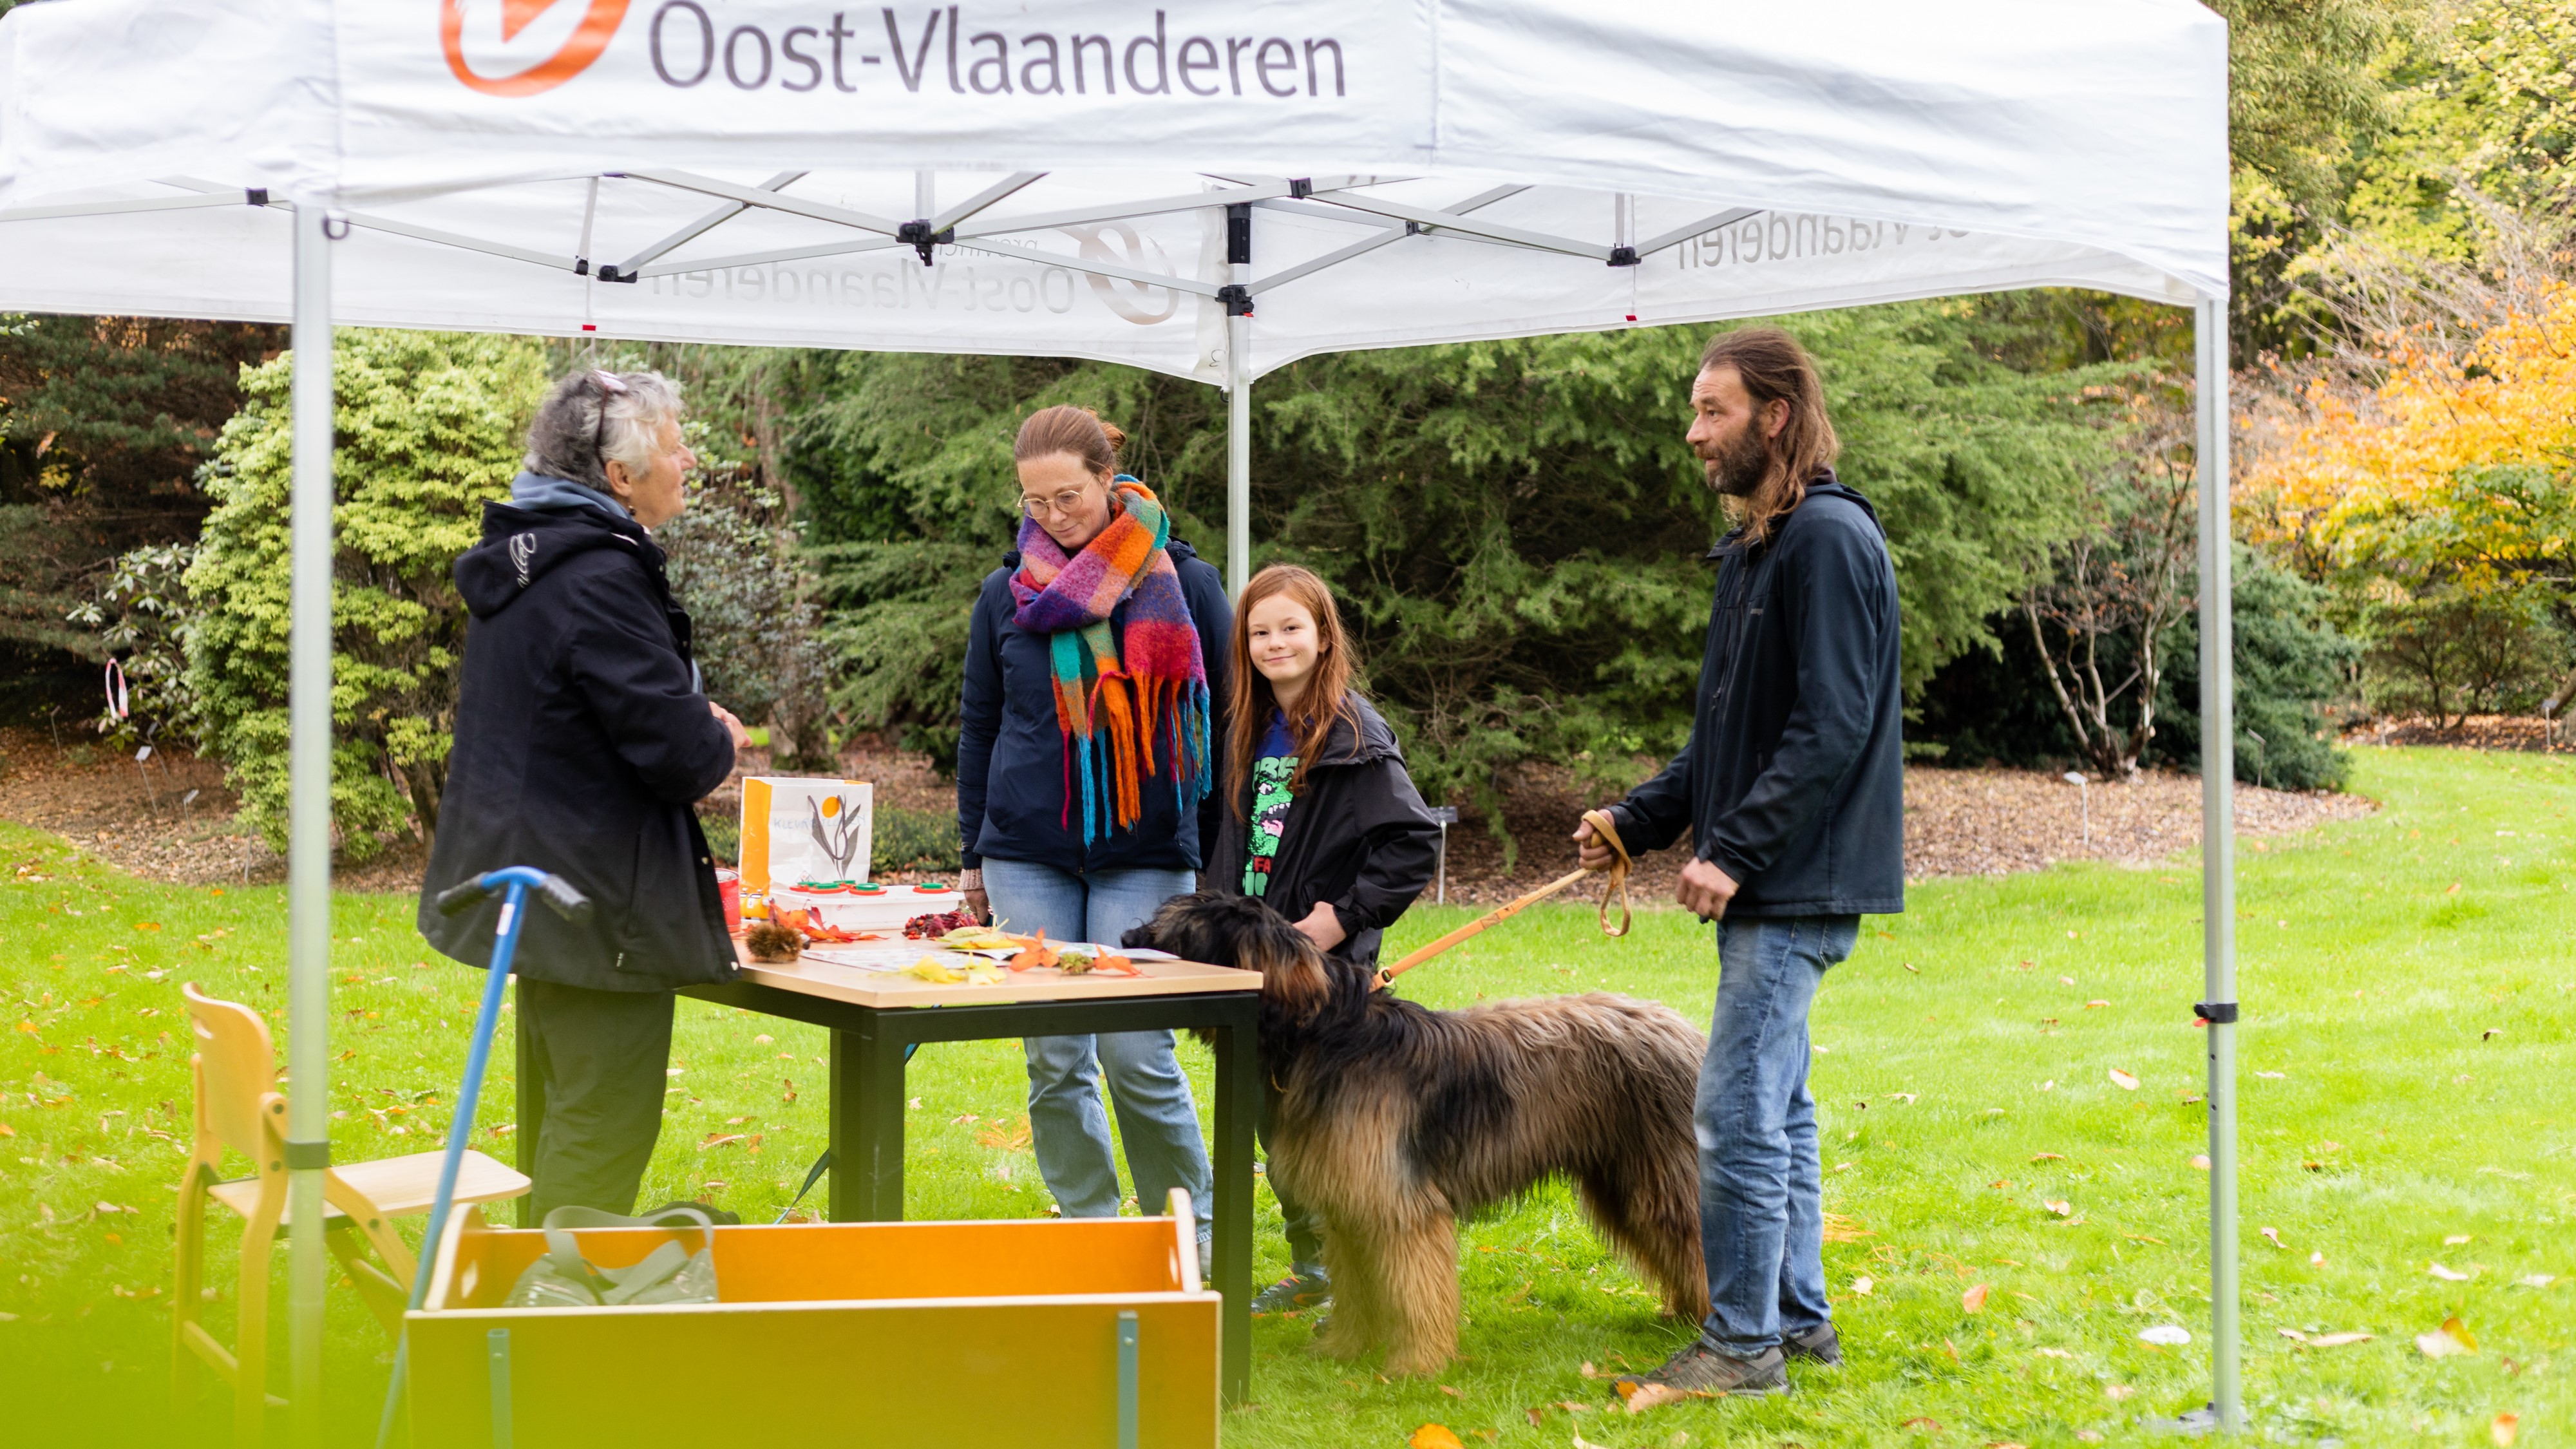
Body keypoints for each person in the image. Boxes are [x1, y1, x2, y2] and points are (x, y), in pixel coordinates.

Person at [1580, 328, 1903, 1396]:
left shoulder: (1825, 542)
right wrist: (1637, 820)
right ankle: (1798, 1322)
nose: (1693, 431)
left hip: (1796, 879)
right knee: (1781, 1109)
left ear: (1774, 416)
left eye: (1713, 410)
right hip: (1775, 876)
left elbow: (1833, 723)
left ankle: (1742, 1345)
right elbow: (1725, 739)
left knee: (1733, 1112)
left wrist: (1737, 850)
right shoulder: (1758, 549)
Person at [420, 368, 751, 1222]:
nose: (687, 459)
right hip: (597, 899)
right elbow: (677, 756)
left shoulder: (537, 562)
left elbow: (578, 713)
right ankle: (556, 1315)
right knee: (600, 1121)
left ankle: (540, 1303)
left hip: (543, 886)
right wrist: (716, 733)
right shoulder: (597, 576)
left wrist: (680, 710)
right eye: (674, 444)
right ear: (618, 475)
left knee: (565, 1109)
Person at [956, 405, 1229, 1262]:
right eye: (1035, 503)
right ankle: (1090, 1229)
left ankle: (1189, 1235)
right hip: (1026, 849)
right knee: (1054, 1053)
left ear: (1110, 480)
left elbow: (1221, 721)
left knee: (1134, 1049)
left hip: (1146, 846)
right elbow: (979, 723)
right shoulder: (1007, 592)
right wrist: (973, 855)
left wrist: (1220, 867)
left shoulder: (1185, 582)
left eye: (1067, 496)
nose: (1052, 516)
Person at [1209, 564, 1441, 1316]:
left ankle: (1356, 1269)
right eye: (1259, 631)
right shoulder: (1245, 727)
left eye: (1290, 628)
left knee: (1320, 1124)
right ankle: (1311, 1264)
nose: (1274, 643)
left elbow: (1409, 843)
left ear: (1322, 636)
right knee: (1266, 1120)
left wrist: (1336, 921)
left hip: (1321, 976)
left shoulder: (1351, 733)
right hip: (1250, 969)